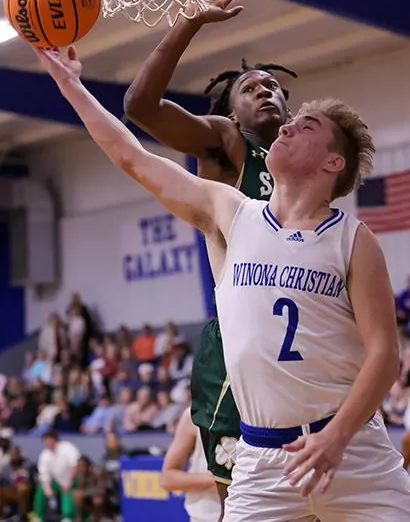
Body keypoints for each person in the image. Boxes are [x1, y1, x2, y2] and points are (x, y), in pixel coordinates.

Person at [35, 44, 410, 520]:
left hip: (352, 451)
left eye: (306, 127)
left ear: (333, 163)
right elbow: (130, 156)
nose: (287, 126)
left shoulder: (353, 239)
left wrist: (335, 438)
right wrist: (69, 84)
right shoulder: (230, 212)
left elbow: (384, 355)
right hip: (263, 460)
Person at [123, 0, 296, 514]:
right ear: (231, 113)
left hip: (303, 336)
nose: (265, 90)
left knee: (310, 494)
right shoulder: (228, 145)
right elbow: (140, 105)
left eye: (274, 87)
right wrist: (190, 20)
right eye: (251, 88)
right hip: (239, 340)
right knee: (242, 501)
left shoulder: (311, 172)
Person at [160, 407, 220, 522]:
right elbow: (167, 478)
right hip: (206, 516)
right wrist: (220, 480)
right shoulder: (195, 414)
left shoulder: (253, 411)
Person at [33, 430, 80, 522]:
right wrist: (47, 488)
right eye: (45, 441)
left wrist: (68, 481)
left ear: (55, 440)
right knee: (41, 488)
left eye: (50, 440)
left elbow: (75, 466)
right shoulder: (44, 455)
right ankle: (39, 517)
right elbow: (44, 474)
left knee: (67, 490)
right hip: (56, 481)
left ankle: (67, 517)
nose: (48, 443)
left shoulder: (67, 448)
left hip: (71, 479)